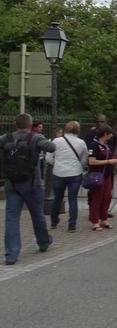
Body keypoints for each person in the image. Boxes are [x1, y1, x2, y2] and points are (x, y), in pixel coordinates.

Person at [2, 113, 56, 265]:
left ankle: (11, 254)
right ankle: (43, 242)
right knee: (37, 213)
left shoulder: (6, 138)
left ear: (15, 124)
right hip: (32, 184)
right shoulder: (35, 137)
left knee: (11, 218)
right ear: (31, 125)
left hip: (11, 183)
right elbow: (51, 147)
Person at [46, 121, 88, 232]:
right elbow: (84, 159)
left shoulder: (57, 141)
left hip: (59, 173)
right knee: (72, 199)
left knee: (57, 198)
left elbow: (48, 158)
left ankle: (54, 221)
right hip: (75, 173)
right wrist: (79, 165)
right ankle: (72, 225)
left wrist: (57, 164)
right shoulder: (81, 142)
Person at [87, 123, 117, 231]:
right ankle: (95, 221)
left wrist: (115, 161)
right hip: (97, 175)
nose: (111, 136)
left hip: (107, 175)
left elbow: (109, 159)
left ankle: (103, 219)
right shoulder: (93, 145)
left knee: (107, 197)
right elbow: (91, 161)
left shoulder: (106, 145)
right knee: (97, 198)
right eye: (110, 134)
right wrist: (109, 161)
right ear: (105, 134)